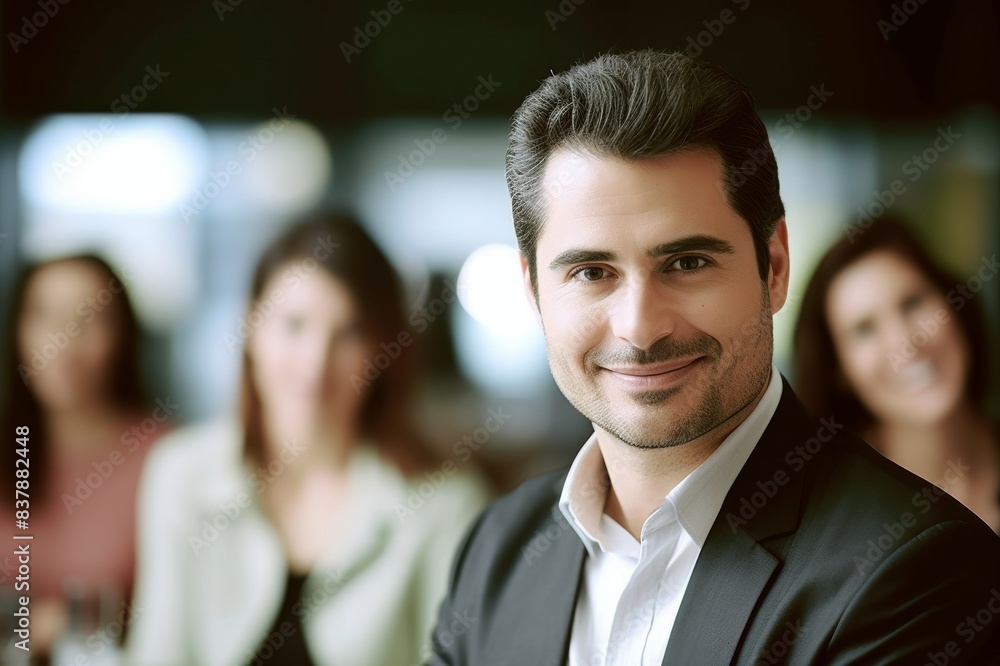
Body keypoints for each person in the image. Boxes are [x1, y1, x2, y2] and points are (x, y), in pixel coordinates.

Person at [428, 50, 1000, 665]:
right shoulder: (497, 549)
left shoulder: (914, 567)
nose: (641, 328)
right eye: (592, 272)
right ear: (534, 291)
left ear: (774, 267)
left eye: (687, 263)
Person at [126, 215, 491, 666]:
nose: (315, 363)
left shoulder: (445, 504)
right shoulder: (181, 473)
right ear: (251, 331)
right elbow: (159, 655)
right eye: (293, 326)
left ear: (383, 350)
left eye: (349, 333)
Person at [0, 255, 162, 662]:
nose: (64, 340)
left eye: (88, 319)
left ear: (123, 335)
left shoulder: (165, 459)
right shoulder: (10, 446)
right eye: (45, 316)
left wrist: (63, 624)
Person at [793, 217, 999, 532]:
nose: (906, 344)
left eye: (913, 302)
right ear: (838, 370)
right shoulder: (831, 521)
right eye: (864, 329)